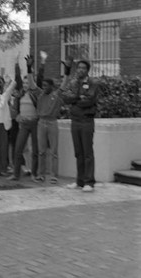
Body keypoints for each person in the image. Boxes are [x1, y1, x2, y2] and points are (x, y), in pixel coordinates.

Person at [62, 60, 100, 192]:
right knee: (78, 152)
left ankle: (89, 181)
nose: (80, 70)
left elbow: (88, 100)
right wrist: (78, 97)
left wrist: (75, 98)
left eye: (83, 68)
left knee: (87, 152)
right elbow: (65, 98)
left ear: (88, 70)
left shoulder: (93, 83)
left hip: (86, 121)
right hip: (75, 120)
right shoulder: (73, 82)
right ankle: (80, 181)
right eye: (79, 68)